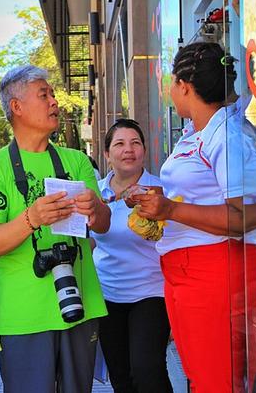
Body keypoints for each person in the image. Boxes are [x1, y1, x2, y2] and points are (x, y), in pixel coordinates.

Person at [129, 42, 256, 393]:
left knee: (217, 381)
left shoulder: (226, 135)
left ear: (184, 85)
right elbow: (207, 195)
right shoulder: (198, 133)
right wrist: (163, 202)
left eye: (171, 83)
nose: (169, 91)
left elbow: (241, 216)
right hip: (186, 271)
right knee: (200, 376)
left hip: (214, 269)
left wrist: (171, 209)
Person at [0, 65, 110, 393]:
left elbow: (102, 225)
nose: (54, 102)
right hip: (23, 315)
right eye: (43, 94)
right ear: (16, 107)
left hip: (80, 304)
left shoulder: (75, 161)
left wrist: (95, 207)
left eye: (53, 94)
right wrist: (31, 218)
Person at [91, 118, 172, 393]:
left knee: (147, 370)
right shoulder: (95, 194)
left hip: (151, 293)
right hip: (107, 295)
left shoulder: (161, 191)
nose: (129, 149)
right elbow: (89, 243)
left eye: (135, 143)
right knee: (121, 377)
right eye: (120, 144)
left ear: (144, 151)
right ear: (106, 154)